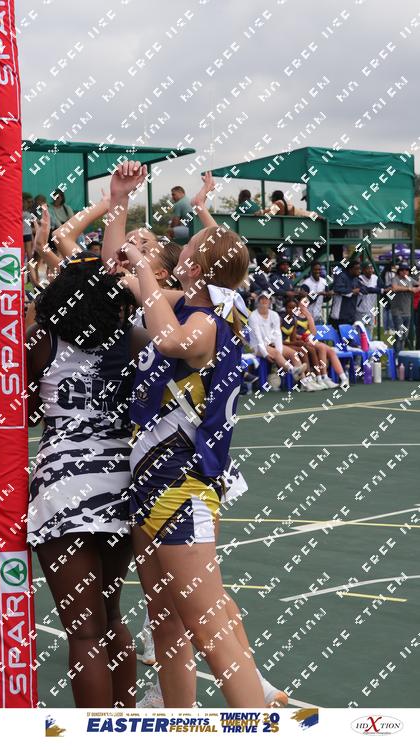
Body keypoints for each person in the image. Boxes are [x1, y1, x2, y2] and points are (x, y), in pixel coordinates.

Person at [102, 160, 266, 708]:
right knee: (166, 623)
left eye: (186, 245)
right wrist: (119, 202)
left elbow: (172, 342)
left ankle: (259, 727)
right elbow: (117, 271)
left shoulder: (208, 321)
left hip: (183, 486)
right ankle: (179, 723)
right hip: (151, 484)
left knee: (210, 632)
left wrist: (143, 269)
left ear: (192, 265)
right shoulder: (183, 303)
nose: (176, 246)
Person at [26, 248, 149, 708]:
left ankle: (94, 734)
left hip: (62, 490)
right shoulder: (134, 339)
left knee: (84, 633)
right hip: (121, 486)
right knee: (112, 615)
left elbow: (26, 414)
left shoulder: (42, 341)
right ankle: (125, 723)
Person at [249, 292, 306, 387]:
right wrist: (265, 354)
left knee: (293, 353)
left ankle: (304, 383)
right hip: (257, 347)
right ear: (258, 301)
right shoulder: (253, 316)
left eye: (267, 299)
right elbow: (258, 338)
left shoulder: (274, 315)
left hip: (273, 345)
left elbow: (278, 335)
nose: (264, 301)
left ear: (270, 302)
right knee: (276, 353)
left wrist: (279, 350)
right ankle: (293, 370)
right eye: (262, 299)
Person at [296, 298, 349, 388]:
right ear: (298, 303)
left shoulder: (307, 315)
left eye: (306, 303)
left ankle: (344, 378)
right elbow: (293, 334)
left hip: (310, 340)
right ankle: (324, 377)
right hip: (300, 341)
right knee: (322, 347)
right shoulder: (294, 316)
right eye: (302, 303)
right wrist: (303, 338)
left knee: (331, 351)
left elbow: (313, 332)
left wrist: (309, 316)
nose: (304, 305)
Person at [390, 263, 420, 356]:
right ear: (399, 271)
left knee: (404, 336)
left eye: (406, 270)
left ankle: (400, 355)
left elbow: (418, 284)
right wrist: (409, 289)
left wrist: (417, 286)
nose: (405, 272)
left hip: (407, 312)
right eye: (402, 270)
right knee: (399, 335)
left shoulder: (409, 279)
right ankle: (397, 355)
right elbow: (394, 288)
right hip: (397, 312)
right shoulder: (395, 279)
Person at [330, 259, 365, 327]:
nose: (359, 271)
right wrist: (352, 291)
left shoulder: (356, 279)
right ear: (351, 269)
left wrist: (359, 290)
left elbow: (364, 289)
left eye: (360, 269)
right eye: (357, 269)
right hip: (339, 316)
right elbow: (337, 289)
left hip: (351, 316)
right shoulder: (341, 276)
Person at [356, 262, 383, 338]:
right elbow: (367, 289)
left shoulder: (375, 278)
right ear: (363, 270)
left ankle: (369, 343)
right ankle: (358, 344)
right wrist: (380, 290)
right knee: (359, 329)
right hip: (360, 310)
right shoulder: (359, 278)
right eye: (368, 269)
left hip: (371, 309)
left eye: (371, 268)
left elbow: (382, 287)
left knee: (370, 329)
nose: (370, 270)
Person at [300, 261, 332, 326]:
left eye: (319, 269)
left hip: (318, 317)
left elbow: (325, 299)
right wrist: (317, 294)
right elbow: (303, 302)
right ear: (311, 270)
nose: (317, 271)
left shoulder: (324, 281)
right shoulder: (306, 283)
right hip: (307, 317)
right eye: (315, 269)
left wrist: (329, 295)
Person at [22, 192, 34, 261]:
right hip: (24, 234)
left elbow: (35, 220)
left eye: (31, 202)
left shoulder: (27, 213)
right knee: (26, 251)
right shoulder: (25, 213)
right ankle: (29, 264)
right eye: (28, 202)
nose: (30, 204)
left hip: (27, 234)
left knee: (29, 251)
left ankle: (30, 265)